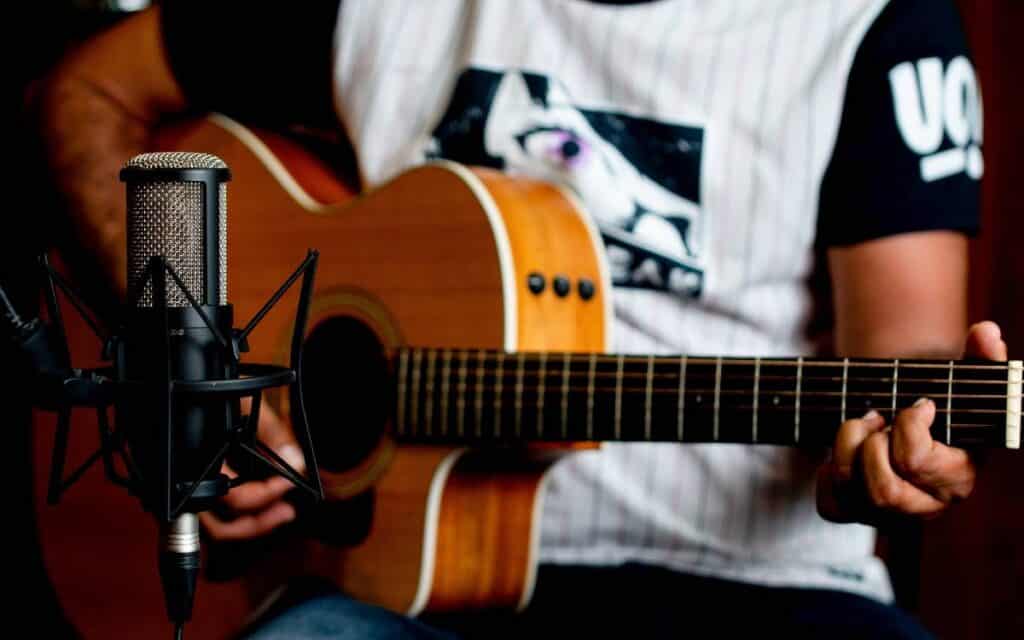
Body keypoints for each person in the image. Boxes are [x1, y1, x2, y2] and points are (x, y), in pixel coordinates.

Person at [34, 0, 999, 637]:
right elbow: (86, 92)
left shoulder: (878, 22)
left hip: (772, 597)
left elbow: (904, 368)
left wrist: (893, 462)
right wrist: (193, 359)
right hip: (391, 596)